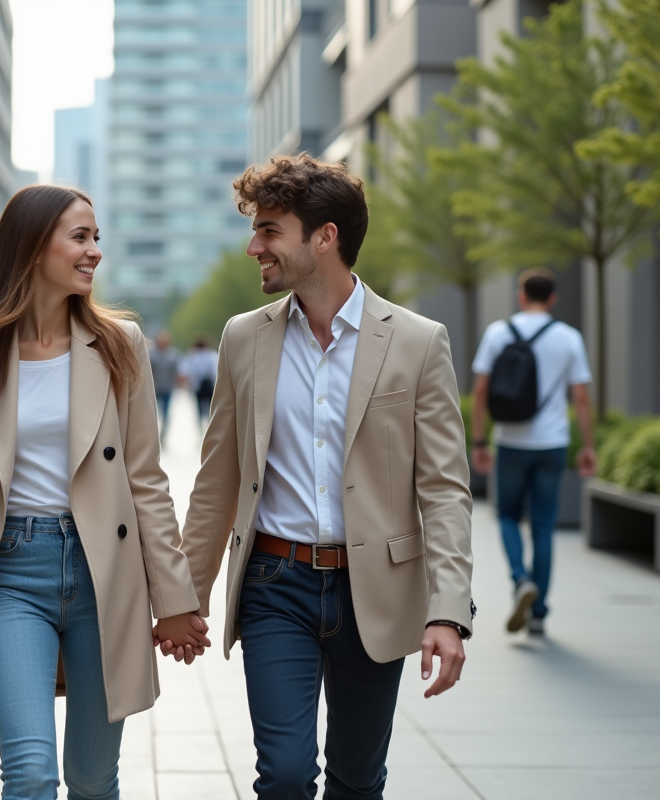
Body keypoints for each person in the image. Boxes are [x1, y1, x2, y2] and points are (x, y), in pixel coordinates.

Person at [165, 155, 474, 800]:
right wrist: (184, 596)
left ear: (324, 237)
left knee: (358, 782)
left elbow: (443, 489)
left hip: (378, 590)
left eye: (271, 230)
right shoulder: (244, 338)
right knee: (282, 776)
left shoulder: (418, 341)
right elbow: (217, 478)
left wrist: (448, 612)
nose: (255, 246)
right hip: (276, 584)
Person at [0, 185, 209, 800]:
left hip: (103, 572)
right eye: (80, 237)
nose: (95, 252)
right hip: (9, 575)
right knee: (28, 774)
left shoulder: (118, 345)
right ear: (31, 248)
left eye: (96, 237)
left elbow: (146, 482)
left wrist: (175, 597)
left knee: (91, 779)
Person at [470, 268, 595, 636]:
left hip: (510, 442)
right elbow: (582, 398)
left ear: (521, 296)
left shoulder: (498, 332)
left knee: (507, 516)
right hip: (552, 443)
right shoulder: (569, 337)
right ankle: (539, 613)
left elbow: (480, 392)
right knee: (543, 525)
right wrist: (588, 446)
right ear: (553, 298)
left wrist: (479, 441)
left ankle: (520, 579)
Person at [179, 336, 219, 429]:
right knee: (210, 406)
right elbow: (215, 370)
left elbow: (185, 370)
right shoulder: (212, 355)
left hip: (197, 386)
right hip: (210, 386)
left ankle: (200, 424)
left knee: (198, 406)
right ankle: (210, 424)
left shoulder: (192, 355)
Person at [148, 330, 180, 441]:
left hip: (167, 388)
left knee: (166, 413)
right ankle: (152, 433)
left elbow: (176, 371)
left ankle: (163, 434)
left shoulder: (173, 355)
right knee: (152, 413)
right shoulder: (151, 354)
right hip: (153, 388)